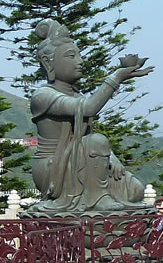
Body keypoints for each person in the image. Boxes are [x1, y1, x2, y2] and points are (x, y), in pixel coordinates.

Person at [27, 20, 151, 214]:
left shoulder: (77, 95)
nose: (80, 61)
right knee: (98, 140)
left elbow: (87, 138)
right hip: (53, 168)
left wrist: (112, 157)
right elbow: (88, 110)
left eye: (79, 55)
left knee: (135, 191)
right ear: (48, 63)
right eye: (71, 56)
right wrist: (116, 77)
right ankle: (98, 197)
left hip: (82, 161)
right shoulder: (43, 96)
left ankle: (99, 195)